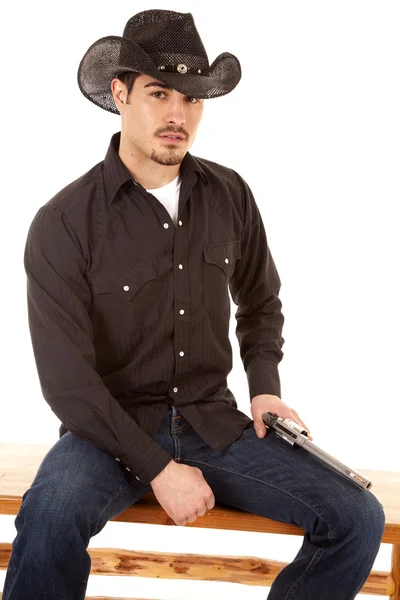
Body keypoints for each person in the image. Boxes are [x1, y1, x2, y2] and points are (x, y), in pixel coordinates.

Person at [3, 9, 385, 600]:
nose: (178, 114)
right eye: (159, 93)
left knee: (357, 517)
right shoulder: (63, 222)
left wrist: (264, 385)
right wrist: (158, 469)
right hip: (107, 430)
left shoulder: (230, 194)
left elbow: (260, 299)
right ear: (121, 93)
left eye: (193, 98)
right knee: (49, 516)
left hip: (215, 423)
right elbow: (68, 384)